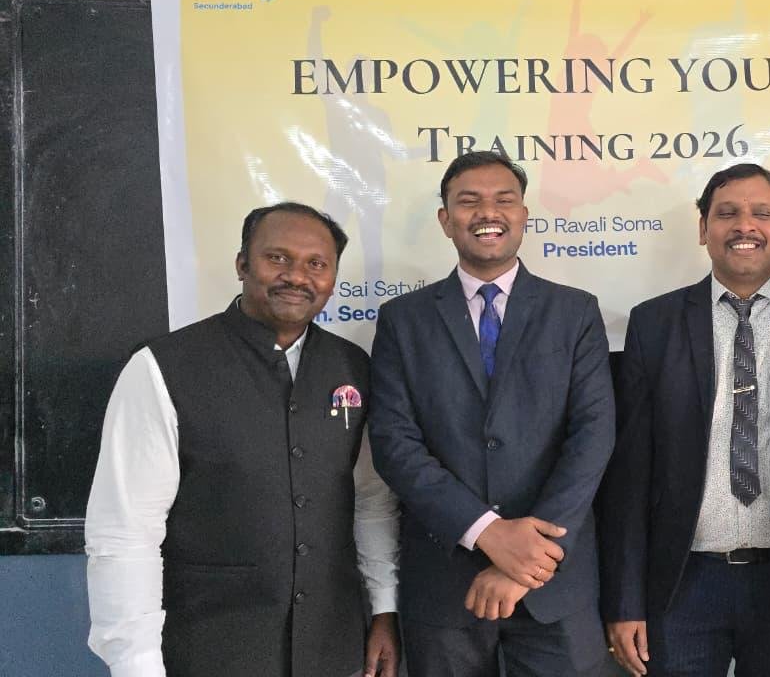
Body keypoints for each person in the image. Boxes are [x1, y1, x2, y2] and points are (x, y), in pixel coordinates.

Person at [85, 202, 401, 677]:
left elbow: (371, 501)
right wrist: (135, 662)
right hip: (209, 650)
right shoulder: (163, 368)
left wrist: (383, 608)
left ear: (333, 279)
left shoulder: (352, 367)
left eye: (316, 264)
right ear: (241, 264)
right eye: (278, 258)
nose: (297, 276)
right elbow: (125, 533)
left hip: (332, 650)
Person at [597, 163, 770, 676]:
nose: (744, 225)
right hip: (681, 583)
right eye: (727, 213)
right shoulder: (654, 324)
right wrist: (624, 599)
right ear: (704, 229)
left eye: (761, 214)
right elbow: (630, 474)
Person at [368, 150, 615, 677]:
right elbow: (394, 445)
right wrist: (486, 532)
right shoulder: (402, 320)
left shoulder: (575, 311)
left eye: (504, 200)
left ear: (524, 215)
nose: (488, 213)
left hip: (555, 587)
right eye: (469, 202)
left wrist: (527, 560)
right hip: (445, 585)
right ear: (445, 219)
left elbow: (592, 438)